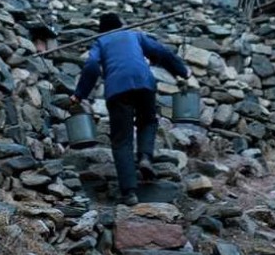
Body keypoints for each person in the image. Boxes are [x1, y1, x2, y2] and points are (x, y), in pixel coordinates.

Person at [69, 13, 190, 205]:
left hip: (117, 89)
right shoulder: (135, 35)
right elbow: (161, 51)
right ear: (120, 25)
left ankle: (129, 192)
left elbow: (91, 65)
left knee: (122, 140)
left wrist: (80, 94)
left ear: (101, 30)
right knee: (148, 121)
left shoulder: (101, 41)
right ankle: (145, 157)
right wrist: (181, 71)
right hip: (144, 83)